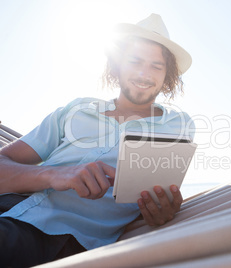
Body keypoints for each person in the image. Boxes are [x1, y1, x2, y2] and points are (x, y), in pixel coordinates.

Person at [0, 13, 194, 267]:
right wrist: (54, 175)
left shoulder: (177, 126)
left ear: (166, 75)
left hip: (56, 234)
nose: (144, 73)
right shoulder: (76, 109)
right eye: (134, 61)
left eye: (156, 66)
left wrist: (162, 209)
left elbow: (160, 195)